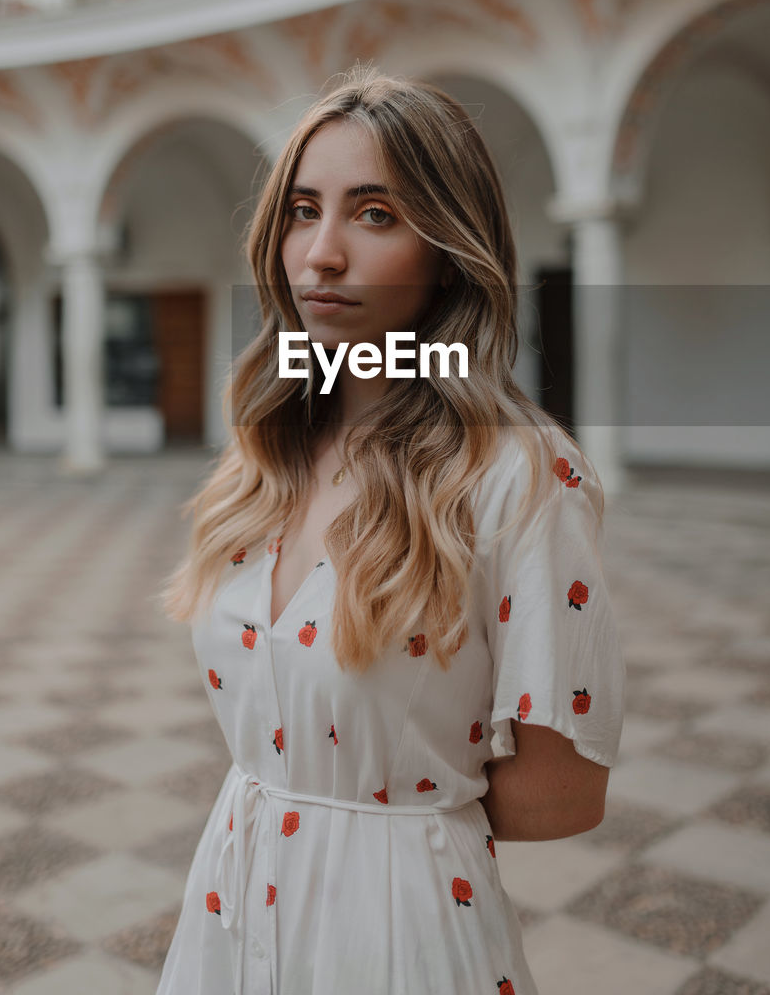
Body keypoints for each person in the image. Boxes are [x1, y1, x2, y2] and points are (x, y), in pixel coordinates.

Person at [156, 65, 626, 995]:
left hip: (396, 928)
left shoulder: (517, 474)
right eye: (301, 210)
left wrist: (379, 815)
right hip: (230, 897)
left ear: (449, 250)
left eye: (375, 214)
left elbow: (558, 795)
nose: (321, 254)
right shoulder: (265, 453)